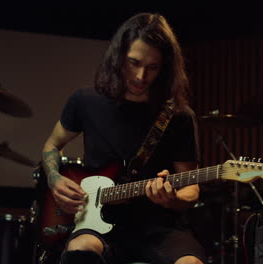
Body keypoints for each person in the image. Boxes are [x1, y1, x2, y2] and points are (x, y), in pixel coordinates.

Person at [42, 13, 205, 264]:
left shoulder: (179, 115)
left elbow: (191, 188)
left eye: (152, 67)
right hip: (95, 220)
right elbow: (52, 144)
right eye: (133, 63)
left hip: (159, 226)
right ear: (118, 58)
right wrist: (54, 179)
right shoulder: (85, 100)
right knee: (82, 248)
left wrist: (173, 199)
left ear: (165, 67)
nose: (141, 76)